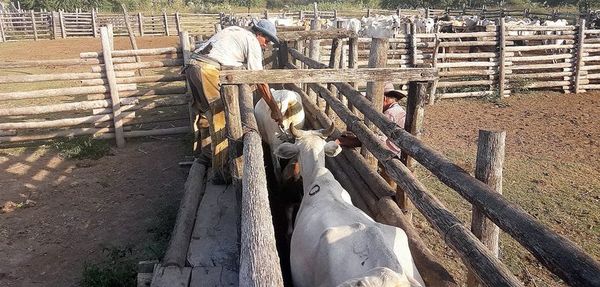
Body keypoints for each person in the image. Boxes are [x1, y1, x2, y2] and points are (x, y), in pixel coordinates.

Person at [184, 19, 284, 166]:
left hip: (194, 66)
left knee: (206, 113)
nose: (266, 44)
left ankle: (206, 157)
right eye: (267, 40)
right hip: (206, 69)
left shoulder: (236, 31)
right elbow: (259, 79)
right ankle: (221, 169)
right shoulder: (252, 42)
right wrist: (275, 109)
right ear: (259, 34)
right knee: (220, 118)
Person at [336, 82, 406, 153]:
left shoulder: (389, 114)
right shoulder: (397, 110)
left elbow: (377, 140)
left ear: (383, 98)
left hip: (392, 154)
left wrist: (345, 141)